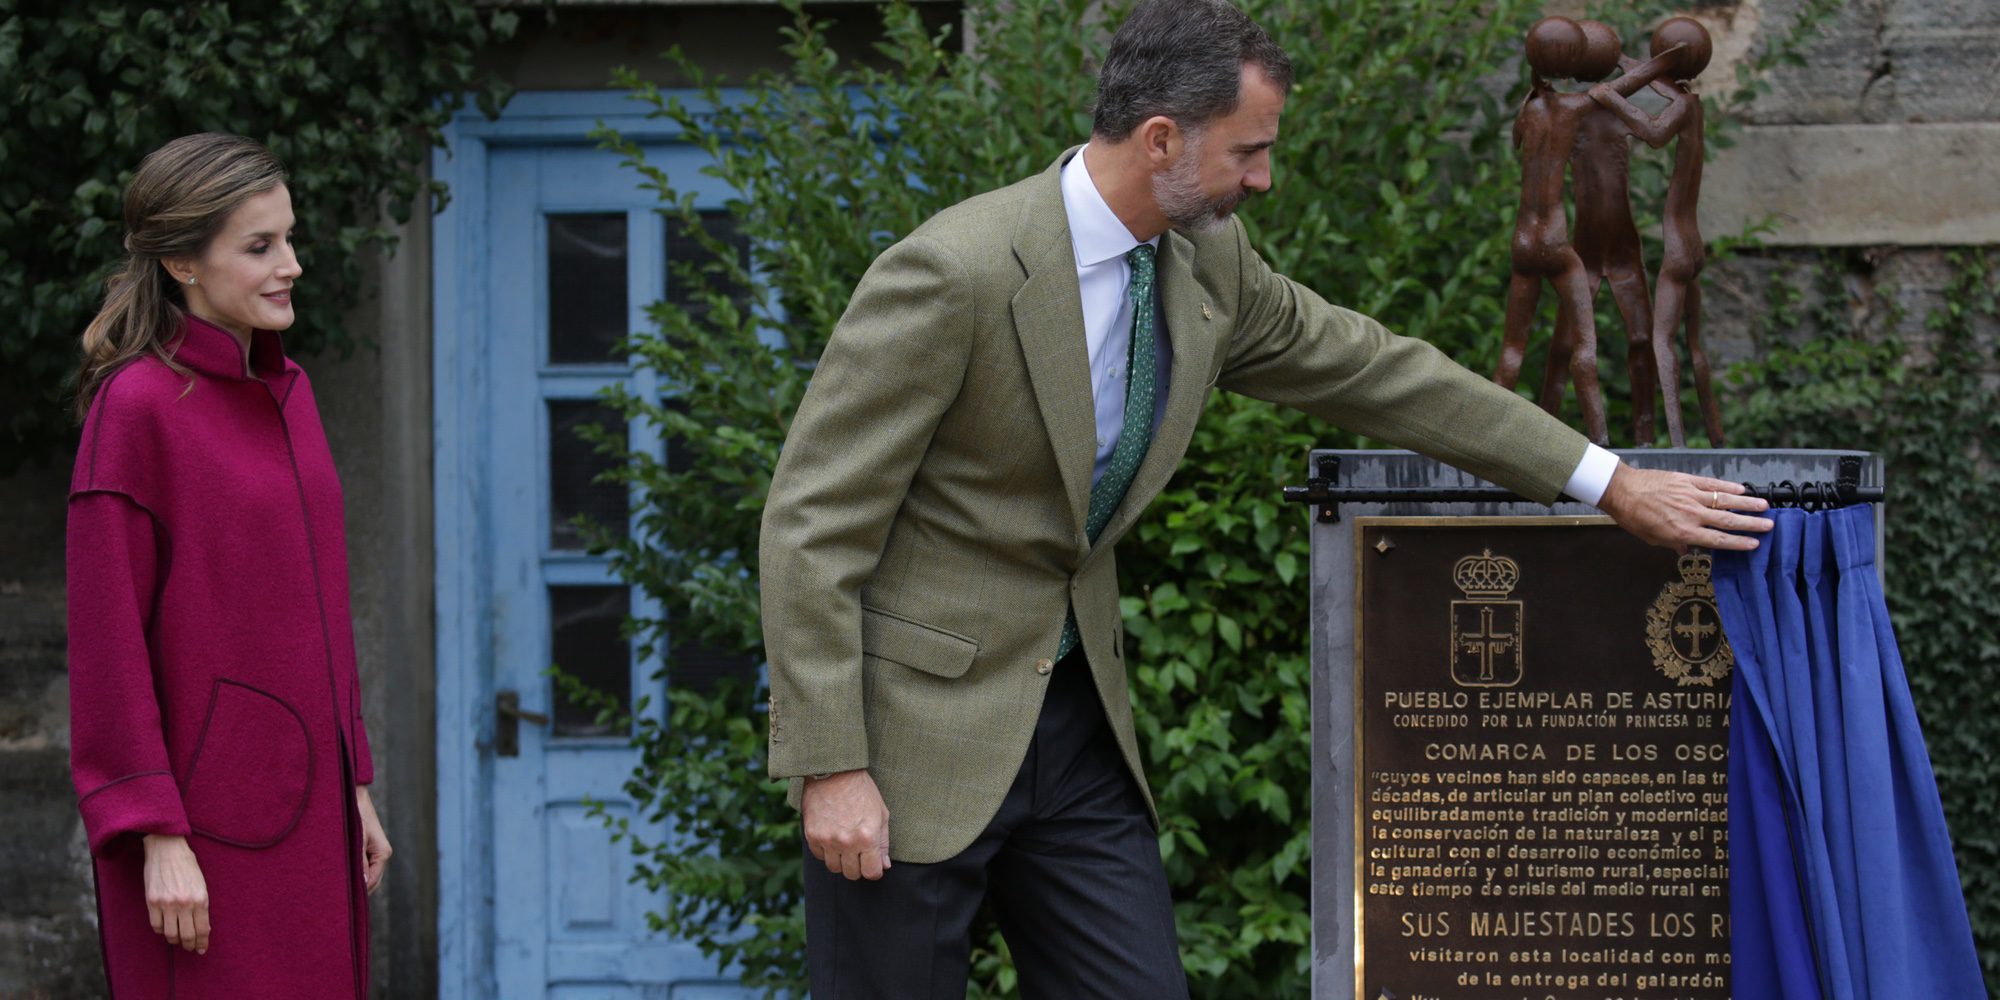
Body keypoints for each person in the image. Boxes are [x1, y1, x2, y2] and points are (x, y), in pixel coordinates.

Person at [758, 2, 1770, 996]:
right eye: (1246, 151)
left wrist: (1606, 481)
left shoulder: (1209, 263)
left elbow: (1378, 370)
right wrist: (831, 764)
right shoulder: (952, 272)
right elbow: (813, 522)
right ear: (1160, 139)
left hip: (1072, 732)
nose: (1263, 176)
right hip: (904, 740)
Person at [66, 132, 389, 998]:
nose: (291, 265)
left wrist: (353, 782)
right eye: (260, 247)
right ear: (181, 262)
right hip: (202, 837)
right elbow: (107, 646)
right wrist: (154, 830)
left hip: (310, 816)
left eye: (289, 238)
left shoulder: (292, 393)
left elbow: (318, 605)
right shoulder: (134, 407)